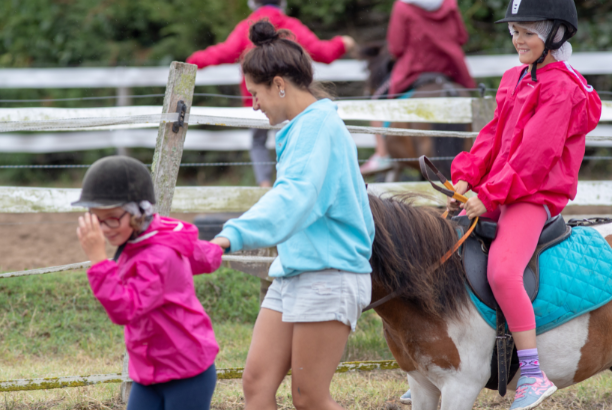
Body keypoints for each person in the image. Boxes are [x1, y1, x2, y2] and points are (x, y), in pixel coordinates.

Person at [209, 21, 374, 410]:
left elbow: (294, 198)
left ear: (279, 84)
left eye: (255, 93)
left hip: (329, 273)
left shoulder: (318, 128)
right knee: (256, 384)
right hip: (295, 269)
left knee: (310, 398)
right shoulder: (300, 128)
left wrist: (232, 234)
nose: (253, 104)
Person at [448, 1, 602, 409]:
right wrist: (466, 174)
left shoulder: (564, 89)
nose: (518, 39)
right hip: (498, 188)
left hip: (532, 196)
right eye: (514, 30)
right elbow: (493, 135)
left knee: (501, 271)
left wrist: (490, 194)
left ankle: (532, 373)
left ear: (555, 34)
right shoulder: (514, 77)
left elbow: (534, 158)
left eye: (527, 31)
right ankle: (437, 363)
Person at [73, 156, 223, 410]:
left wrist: (99, 262)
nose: (103, 229)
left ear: (138, 213)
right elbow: (197, 253)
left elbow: (126, 308)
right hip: (150, 372)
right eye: (96, 219)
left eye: (110, 218)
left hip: (186, 372)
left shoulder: (156, 256)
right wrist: (218, 248)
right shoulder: (151, 236)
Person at [187, 0, 355, 188]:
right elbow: (323, 52)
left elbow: (222, 52)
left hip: (264, 105)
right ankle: (294, 183)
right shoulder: (292, 26)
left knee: (258, 143)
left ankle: (265, 186)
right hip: (292, 105)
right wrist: (343, 43)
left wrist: (193, 60)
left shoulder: (246, 27)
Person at [360, 0, 476, 176]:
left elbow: (396, 47)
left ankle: (382, 155)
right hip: (448, 70)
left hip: (415, 71)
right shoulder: (450, 4)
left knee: (377, 102)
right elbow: (462, 37)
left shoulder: (403, 6)